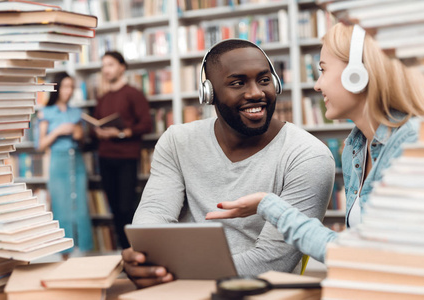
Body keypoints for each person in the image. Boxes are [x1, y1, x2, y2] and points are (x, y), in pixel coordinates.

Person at [122, 39, 336, 288]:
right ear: (209, 93)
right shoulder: (177, 141)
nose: (256, 92)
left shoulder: (308, 156)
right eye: (238, 83)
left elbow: (272, 261)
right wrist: (144, 258)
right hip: (177, 288)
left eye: (264, 80)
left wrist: (170, 271)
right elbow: (153, 218)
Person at [206, 23, 424, 264]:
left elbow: (368, 256)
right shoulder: (356, 150)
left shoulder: (412, 143)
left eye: (323, 70)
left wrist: (270, 206)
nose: (317, 85)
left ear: (357, 74)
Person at [94, 51, 152, 249]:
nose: (106, 70)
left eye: (110, 65)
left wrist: (121, 133)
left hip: (126, 157)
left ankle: (134, 250)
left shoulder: (133, 94)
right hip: (104, 157)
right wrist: (98, 132)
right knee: (115, 210)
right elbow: (96, 123)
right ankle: (122, 252)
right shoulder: (102, 98)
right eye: (103, 66)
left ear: (122, 67)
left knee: (126, 207)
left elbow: (146, 125)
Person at [38, 72, 93, 259]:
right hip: (58, 162)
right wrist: (59, 131)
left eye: (71, 87)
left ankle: (82, 252)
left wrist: (79, 135)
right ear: (57, 88)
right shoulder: (46, 112)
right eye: (65, 87)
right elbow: (41, 144)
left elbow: (83, 142)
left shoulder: (77, 112)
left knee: (81, 207)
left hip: (76, 160)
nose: (68, 91)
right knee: (61, 208)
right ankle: (64, 255)